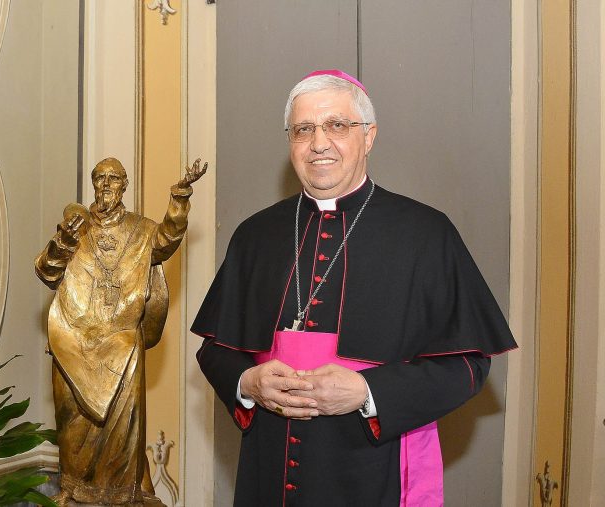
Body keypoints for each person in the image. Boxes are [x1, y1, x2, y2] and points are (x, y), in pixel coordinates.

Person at [192, 69, 517, 506]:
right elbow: (216, 348)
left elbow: (468, 364)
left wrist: (368, 392)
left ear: (369, 136)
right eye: (303, 129)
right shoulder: (256, 234)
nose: (319, 143)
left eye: (337, 126)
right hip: (267, 468)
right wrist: (247, 382)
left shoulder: (425, 233)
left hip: (373, 471)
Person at [35, 157, 206, 506]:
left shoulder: (141, 230)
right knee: (72, 422)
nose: (106, 185)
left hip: (122, 342)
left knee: (120, 428)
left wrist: (181, 194)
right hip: (73, 341)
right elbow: (46, 271)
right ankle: (75, 490)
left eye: (114, 179)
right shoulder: (76, 227)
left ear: (125, 185)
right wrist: (64, 239)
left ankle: (119, 495)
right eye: (100, 179)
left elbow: (168, 237)